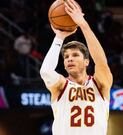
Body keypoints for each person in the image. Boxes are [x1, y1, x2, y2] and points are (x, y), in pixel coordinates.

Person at [40, 0, 113, 135]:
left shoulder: (100, 84)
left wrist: (83, 25)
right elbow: (45, 71)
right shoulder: (61, 86)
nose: (69, 59)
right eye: (66, 57)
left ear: (86, 61)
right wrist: (59, 38)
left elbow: (101, 62)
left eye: (75, 55)